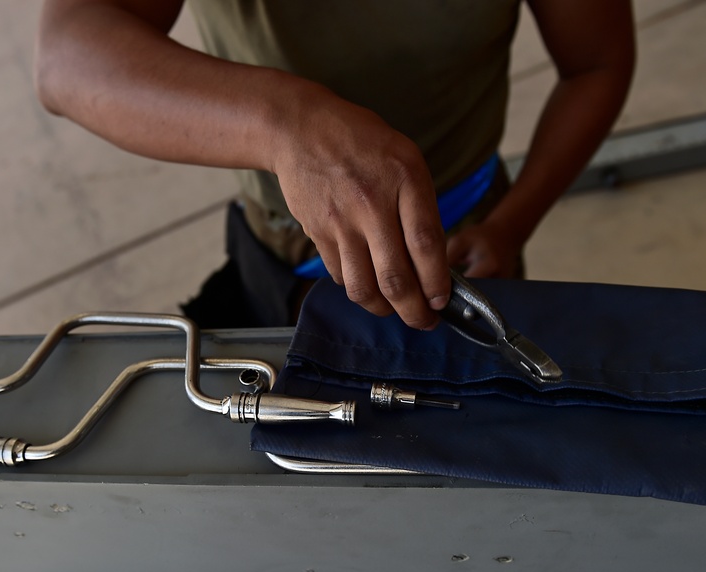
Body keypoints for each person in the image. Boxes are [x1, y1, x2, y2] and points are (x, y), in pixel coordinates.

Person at [35, 0, 635, 329]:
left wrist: (510, 224)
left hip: (473, 231)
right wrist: (286, 124)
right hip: (284, 247)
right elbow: (69, 55)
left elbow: (595, 64)